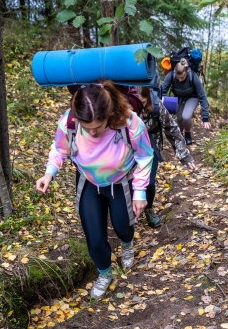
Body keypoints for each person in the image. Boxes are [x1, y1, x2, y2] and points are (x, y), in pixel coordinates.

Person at [35, 80, 153, 300]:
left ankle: (127, 245)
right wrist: (49, 173)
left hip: (121, 181)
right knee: (94, 237)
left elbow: (145, 155)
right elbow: (60, 150)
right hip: (89, 182)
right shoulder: (68, 122)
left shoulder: (129, 122)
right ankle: (104, 273)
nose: (93, 132)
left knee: (123, 226)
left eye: (98, 127)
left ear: (109, 114)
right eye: (86, 127)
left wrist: (139, 192)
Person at [137, 86, 196, 228]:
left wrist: (185, 157)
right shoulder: (123, 105)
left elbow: (172, 129)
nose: (139, 107)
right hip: (127, 148)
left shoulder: (157, 106)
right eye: (136, 103)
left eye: (143, 103)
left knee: (149, 182)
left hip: (151, 146)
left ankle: (149, 208)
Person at [161, 58, 211, 145]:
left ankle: (187, 134)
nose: (180, 79)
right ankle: (179, 136)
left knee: (186, 117)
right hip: (179, 97)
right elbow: (162, 90)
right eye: (178, 77)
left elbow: (202, 96)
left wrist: (205, 118)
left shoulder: (193, 76)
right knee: (179, 119)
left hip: (192, 97)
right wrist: (161, 104)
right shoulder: (171, 75)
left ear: (187, 71)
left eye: (182, 77)